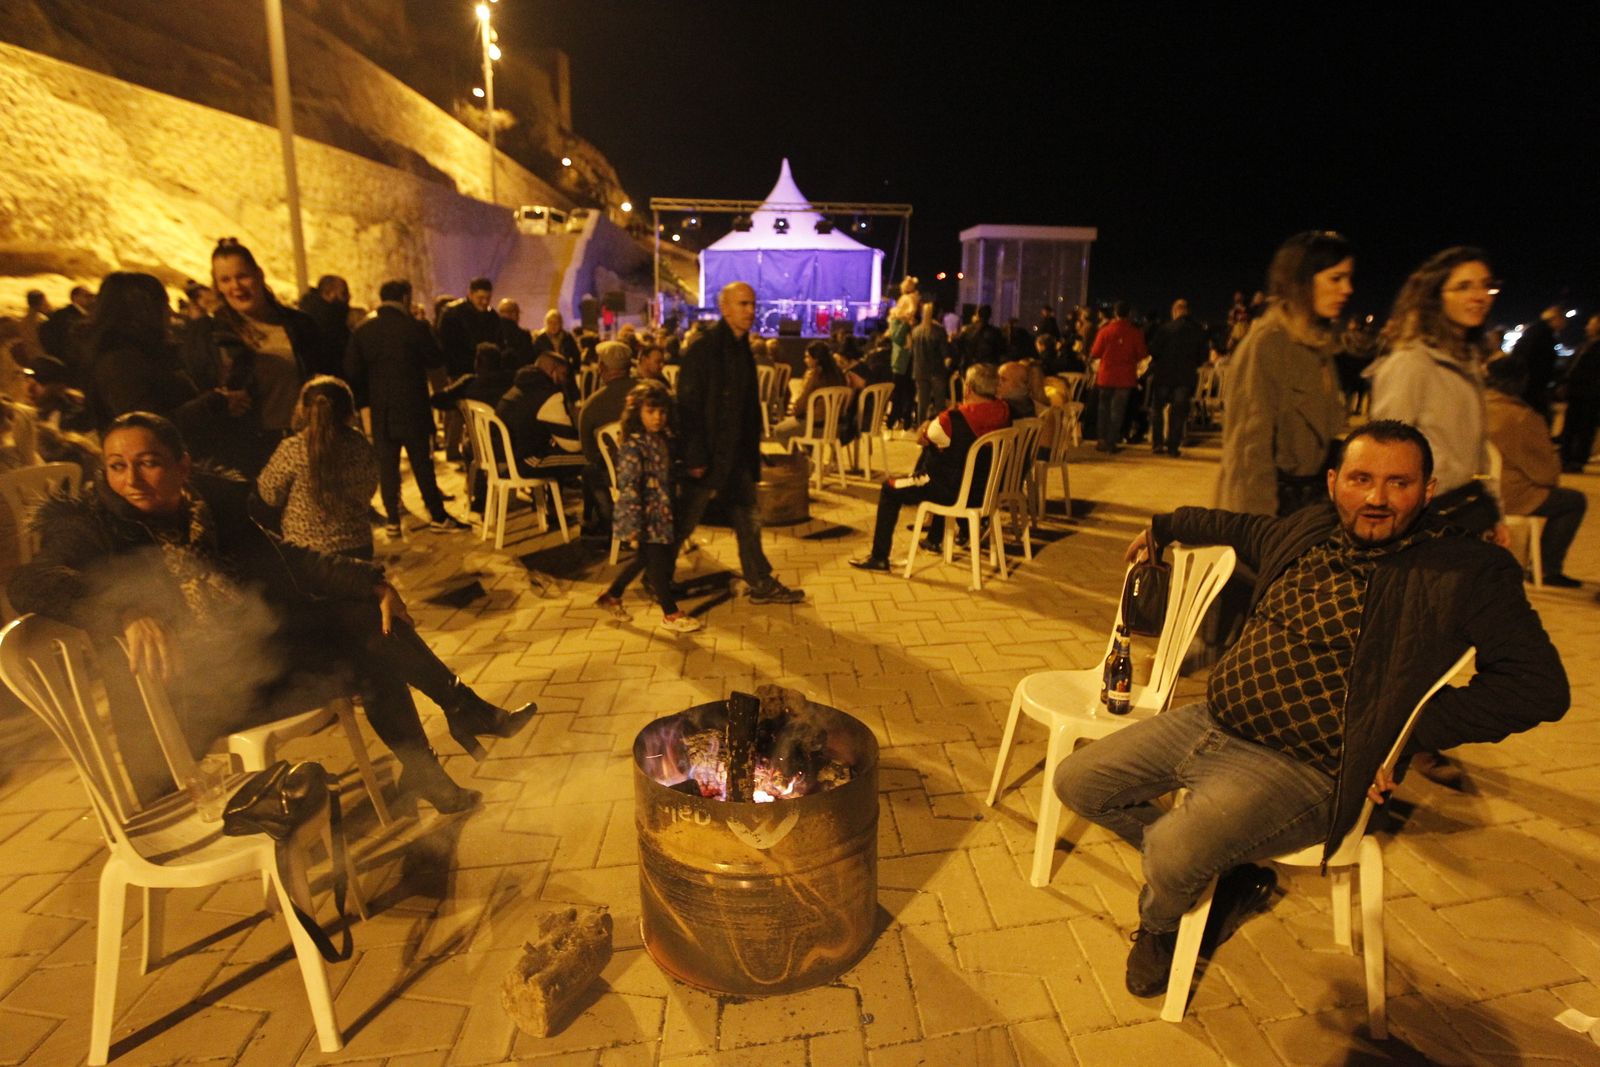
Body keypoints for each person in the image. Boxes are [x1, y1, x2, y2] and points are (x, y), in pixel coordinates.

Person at [1055, 420, 1568, 998]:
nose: (1376, 498)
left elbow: (1539, 687)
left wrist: (1405, 732)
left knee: (1175, 850)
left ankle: (1162, 923)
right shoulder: (1309, 529)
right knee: (1078, 782)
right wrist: (1163, 526)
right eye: (1361, 479)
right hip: (1212, 720)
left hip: (1305, 767)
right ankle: (1223, 878)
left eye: (1399, 483)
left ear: (1427, 490)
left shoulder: (1463, 571)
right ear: (1333, 483)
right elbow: (1234, 526)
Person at [9, 412, 539, 812]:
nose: (132, 480)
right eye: (117, 467)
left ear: (182, 467)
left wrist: (372, 580)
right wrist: (122, 612)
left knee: (369, 622)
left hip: (255, 663)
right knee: (367, 642)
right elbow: (29, 581)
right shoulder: (92, 527)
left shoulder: (208, 510)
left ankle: (434, 753)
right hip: (191, 699)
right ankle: (460, 719)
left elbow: (286, 557)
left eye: (147, 463)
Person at [1367, 247, 1508, 543]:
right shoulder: (1411, 362)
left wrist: (1494, 513)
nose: (1480, 296)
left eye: (1486, 285)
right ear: (1435, 296)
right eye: (1464, 286)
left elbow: (1478, 450)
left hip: (1466, 511)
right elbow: (1385, 454)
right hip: (1426, 521)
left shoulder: (1466, 360)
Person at [675, 282, 804, 604]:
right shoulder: (704, 349)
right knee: (684, 522)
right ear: (725, 308)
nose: (750, 311)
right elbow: (687, 407)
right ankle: (655, 575)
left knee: (748, 520)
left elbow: (745, 408)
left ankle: (760, 583)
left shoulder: (741, 346)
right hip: (707, 457)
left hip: (736, 457)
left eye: (752, 304)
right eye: (743, 304)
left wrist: (752, 450)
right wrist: (694, 457)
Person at [1217, 231, 1352, 516]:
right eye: (1335, 278)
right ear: (1302, 281)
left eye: (1348, 278)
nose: (1347, 289)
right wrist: (1259, 538)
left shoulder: (1317, 346)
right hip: (1274, 515)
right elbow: (1248, 458)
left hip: (1309, 511)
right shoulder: (1268, 345)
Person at [848, 363, 1012, 571]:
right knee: (949, 464)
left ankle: (879, 557)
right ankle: (934, 538)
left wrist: (929, 425)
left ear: (968, 388)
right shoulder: (1004, 411)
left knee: (890, 489)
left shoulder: (951, 420)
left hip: (952, 492)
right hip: (984, 491)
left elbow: (923, 438)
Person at [344, 278, 468, 537]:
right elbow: (435, 358)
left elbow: (352, 370)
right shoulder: (414, 327)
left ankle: (392, 520)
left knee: (387, 466)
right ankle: (437, 516)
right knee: (422, 464)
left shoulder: (364, 330)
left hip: (382, 413)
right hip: (413, 409)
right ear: (404, 298)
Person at [203, 238, 321, 473]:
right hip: (253, 450)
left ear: (259, 275)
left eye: (242, 276)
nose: (236, 286)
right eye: (225, 280)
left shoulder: (300, 325)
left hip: (308, 440)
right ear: (217, 286)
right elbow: (202, 391)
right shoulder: (211, 335)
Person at [80, 271, 239, 444]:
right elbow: (148, 428)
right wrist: (214, 402)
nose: (170, 312)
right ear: (145, 311)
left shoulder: (144, 354)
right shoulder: (119, 364)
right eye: (164, 305)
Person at [594, 383, 702, 633]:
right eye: (651, 411)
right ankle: (670, 613)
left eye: (662, 412)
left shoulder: (661, 439)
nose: (657, 417)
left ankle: (612, 595)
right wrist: (633, 523)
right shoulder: (634, 445)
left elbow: (666, 471)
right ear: (637, 412)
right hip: (644, 513)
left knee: (645, 557)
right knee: (657, 562)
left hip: (660, 510)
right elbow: (630, 485)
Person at [1483, 358, 1586, 587]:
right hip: (1507, 495)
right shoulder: (1523, 418)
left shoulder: (1472, 408)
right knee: (1574, 501)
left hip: (1473, 488)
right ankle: (1548, 569)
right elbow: (1547, 473)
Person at [257, 376, 381, 559]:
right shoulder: (358, 443)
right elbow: (369, 488)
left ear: (303, 410)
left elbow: (269, 495)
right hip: (358, 546)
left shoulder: (292, 449)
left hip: (308, 555)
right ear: (348, 410)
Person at [494, 352, 586, 479]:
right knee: (591, 458)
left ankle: (554, 498)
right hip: (525, 462)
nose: (565, 380)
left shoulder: (519, 387)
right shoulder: (547, 395)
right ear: (552, 370)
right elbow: (571, 444)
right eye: (563, 374)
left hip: (501, 460)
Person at [577, 341, 636, 535]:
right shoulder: (651, 392)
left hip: (619, 477)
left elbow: (589, 453)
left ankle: (605, 523)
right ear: (629, 366)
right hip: (655, 471)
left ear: (602, 368)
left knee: (590, 471)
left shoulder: (592, 405)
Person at [1146, 298, 1209, 456]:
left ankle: (1157, 443)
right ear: (1187, 311)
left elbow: (1153, 350)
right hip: (1185, 377)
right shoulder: (1198, 331)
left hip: (1164, 376)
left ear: (1175, 312)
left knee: (1157, 409)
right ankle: (1173, 446)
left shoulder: (1165, 329)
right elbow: (1203, 357)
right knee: (1178, 411)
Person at [1090, 301, 1147, 452]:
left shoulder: (1105, 331)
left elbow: (1095, 352)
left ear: (1115, 313)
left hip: (1106, 375)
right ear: (1129, 314)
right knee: (1118, 411)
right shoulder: (1135, 332)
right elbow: (1142, 354)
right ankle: (1111, 442)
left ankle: (1101, 440)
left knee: (1103, 409)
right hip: (1125, 377)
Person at [770, 341, 847, 446]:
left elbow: (802, 403)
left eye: (807, 357)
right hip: (837, 426)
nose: (805, 360)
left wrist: (795, 412)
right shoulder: (839, 374)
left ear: (816, 359)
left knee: (779, 431)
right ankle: (808, 456)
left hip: (816, 426)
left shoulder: (814, 375)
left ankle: (801, 459)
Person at [1558, 312, 1600, 472]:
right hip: (1576, 392)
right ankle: (1565, 457)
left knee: (1585, 428)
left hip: (1590, 394)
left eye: (1591, 323)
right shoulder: (1585, 345)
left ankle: (1577, 460)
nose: (1587, 326)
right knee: (1570, 426)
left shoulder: (1594, 348)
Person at [1510, 304, 1565, 422]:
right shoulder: (1545, 335)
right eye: (1563, 320)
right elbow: (1541, 362)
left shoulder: (1534, 330)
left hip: (1524, 381)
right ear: (1555, 318)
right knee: (1537, 418)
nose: (1564, 324)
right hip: (1533, 384)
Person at [21, 355, 94, 434]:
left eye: (39, 384)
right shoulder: (23, 418)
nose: (29, 389)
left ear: (60, 387)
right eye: (27, 380)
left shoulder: (73, 420)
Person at [297, 274, 351, 380]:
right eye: (343, 293)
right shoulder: (330, 322)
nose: (349, 297)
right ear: (328, 294)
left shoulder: (311, 316)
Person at [910, 302, 953, 423]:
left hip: (919, 371)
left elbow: (912, 351)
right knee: (939, 404)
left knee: (922, 404)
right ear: (938, 314)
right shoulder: (939, 331)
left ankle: (920, 428)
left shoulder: (916, 331)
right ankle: (940, 429)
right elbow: (945, 354)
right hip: (936, 371)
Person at [532, 308, 582, 373]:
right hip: (545, 374)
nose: (553, 325)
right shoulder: (541, 339)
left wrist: (572, 370)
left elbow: (576, 355)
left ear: (561, 324)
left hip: (563, 373)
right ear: (546, 324)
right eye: (550, 322)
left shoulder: (567, 337)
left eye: (556, 322)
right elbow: (534, 358)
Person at [496, 298, 536, 371]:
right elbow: (529, 358)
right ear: (514, 314)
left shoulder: (490, 332)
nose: (518, 316)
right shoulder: (523, 335)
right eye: (516, 313)